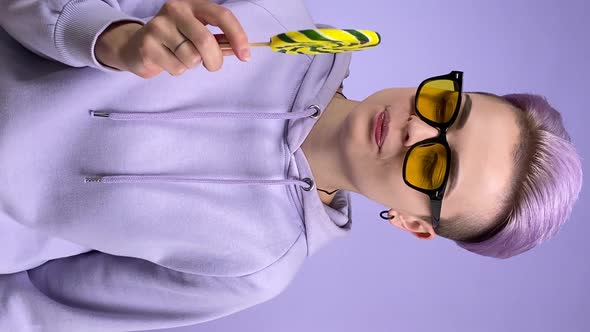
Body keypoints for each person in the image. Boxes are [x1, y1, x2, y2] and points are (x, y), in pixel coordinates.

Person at [0, 0, 582, 331]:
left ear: (414, 224)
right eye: (447, 108)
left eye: (434, 169)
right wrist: (109, 36)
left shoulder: (257, 264)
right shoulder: (274, 21)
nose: (415, 129)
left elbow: (35, 314)